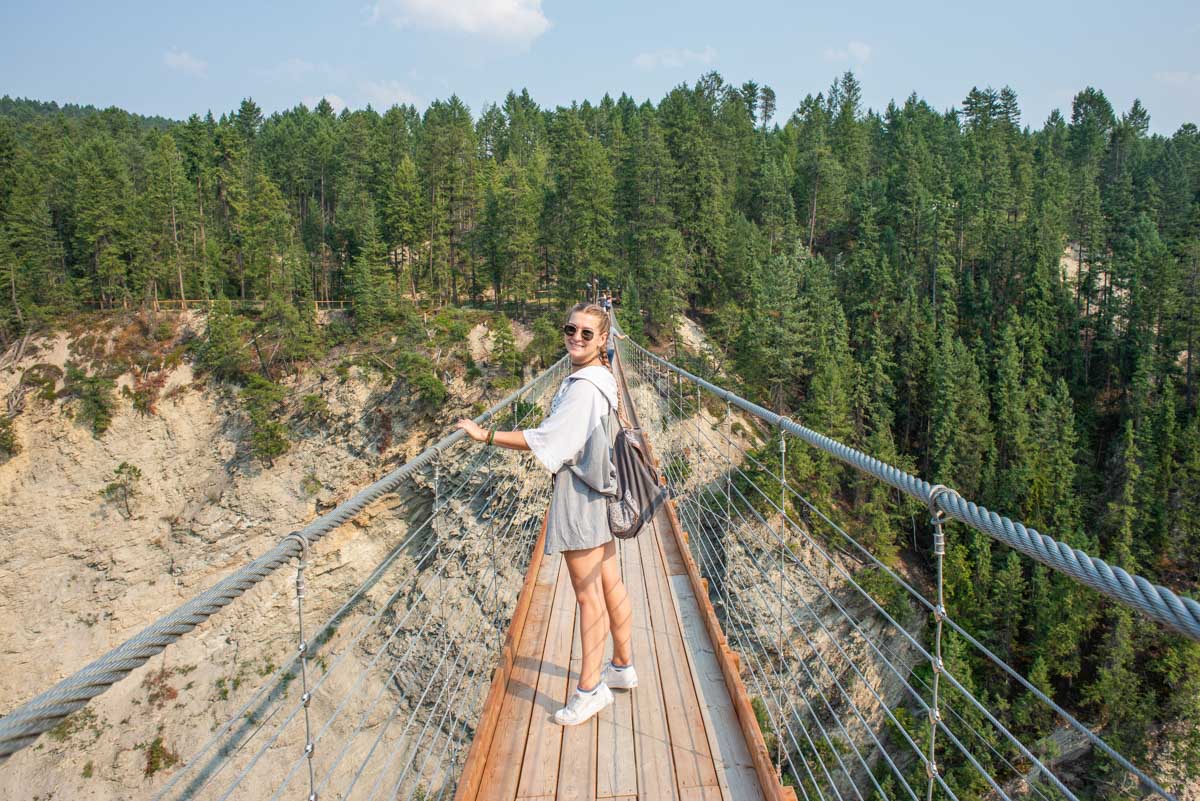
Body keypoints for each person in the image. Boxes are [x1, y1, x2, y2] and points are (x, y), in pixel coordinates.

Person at [455, 302, 637, 726]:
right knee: (609, 582)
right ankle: (623, 667)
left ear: (604, 340)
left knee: (588, 596)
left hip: (580, 497)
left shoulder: (585, 388)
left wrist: (485, 435)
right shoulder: (601, 378)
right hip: (601, 490)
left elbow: (549, 440)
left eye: (587, 333)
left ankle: (591, 690)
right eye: (570, 329)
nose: (575, 337)